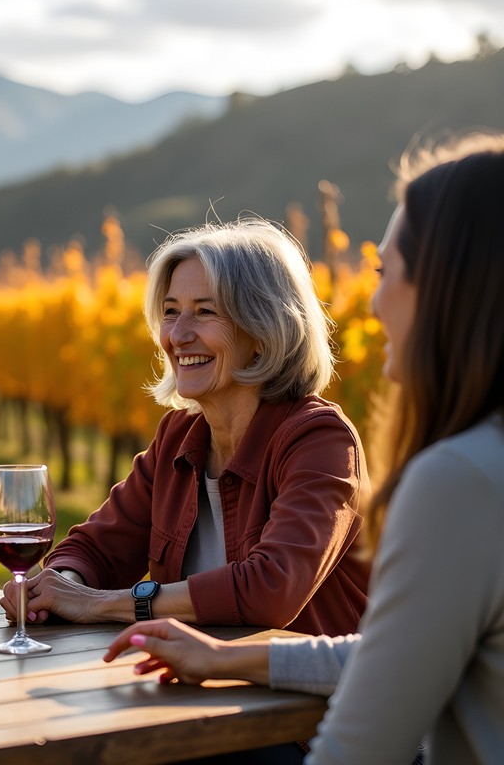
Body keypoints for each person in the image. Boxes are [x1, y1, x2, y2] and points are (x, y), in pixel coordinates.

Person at [103, 132, 504, 764]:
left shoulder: (454, 478)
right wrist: (222, 656)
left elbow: (362, 735)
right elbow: (384, 652)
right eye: (170, 312)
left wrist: (123, 604)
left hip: (276, 733)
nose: (370, 300)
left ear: (452, 291)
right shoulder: (180, 436)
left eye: (385, 272)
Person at [3, 219, 371, 638]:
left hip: (308, 700)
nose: (177, 335)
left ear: (264, 332)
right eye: (171, 311)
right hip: (198, 690)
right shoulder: (179, 438)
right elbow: (95, 548)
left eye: (205, 312)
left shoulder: (320, 441)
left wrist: (99, 603)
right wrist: (61, 585)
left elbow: (271, 589)